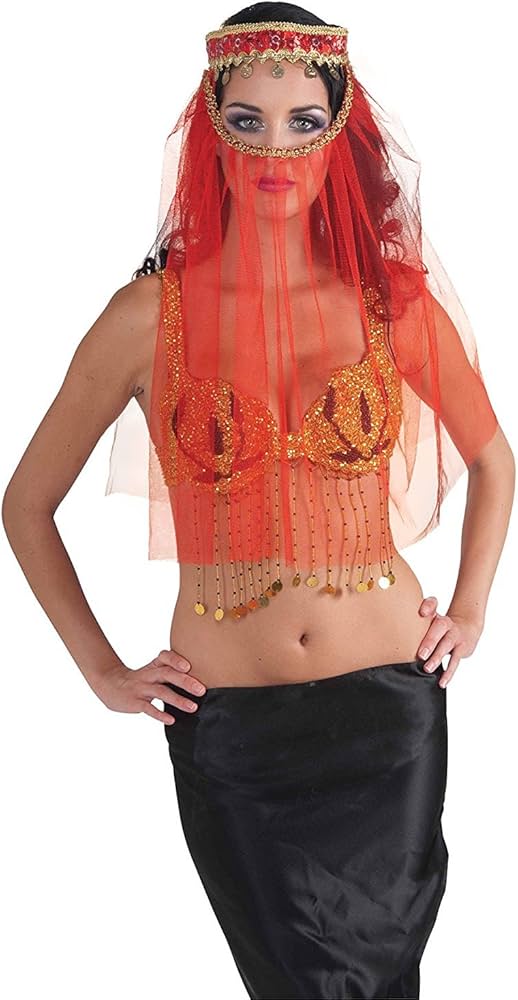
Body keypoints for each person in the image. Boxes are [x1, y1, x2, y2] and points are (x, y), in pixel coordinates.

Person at [2, 3, 514, 999]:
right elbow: (26, 504)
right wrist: (101, 671)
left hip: (387, 713)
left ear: (340, 132)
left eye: (301, 120)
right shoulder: (145, 318)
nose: (275, 148)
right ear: (211, 132)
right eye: (247, 120)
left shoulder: (390, 303)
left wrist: (469, 610)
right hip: (232, 727)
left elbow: (495, 462)